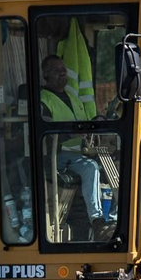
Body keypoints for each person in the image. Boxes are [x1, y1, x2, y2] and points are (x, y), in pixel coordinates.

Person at [39, 54, 111, 238]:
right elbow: (41, 135)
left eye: (63, 69)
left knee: (104, 168)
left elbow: (84, 124)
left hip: (78, 153)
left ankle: (105, 220)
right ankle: (97, 220)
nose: (62, 73)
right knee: (90, 168)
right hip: (55, 155)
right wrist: (69, 134)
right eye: (56, 70)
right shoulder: (42, 99)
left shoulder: (74, 99)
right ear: (45, 75)